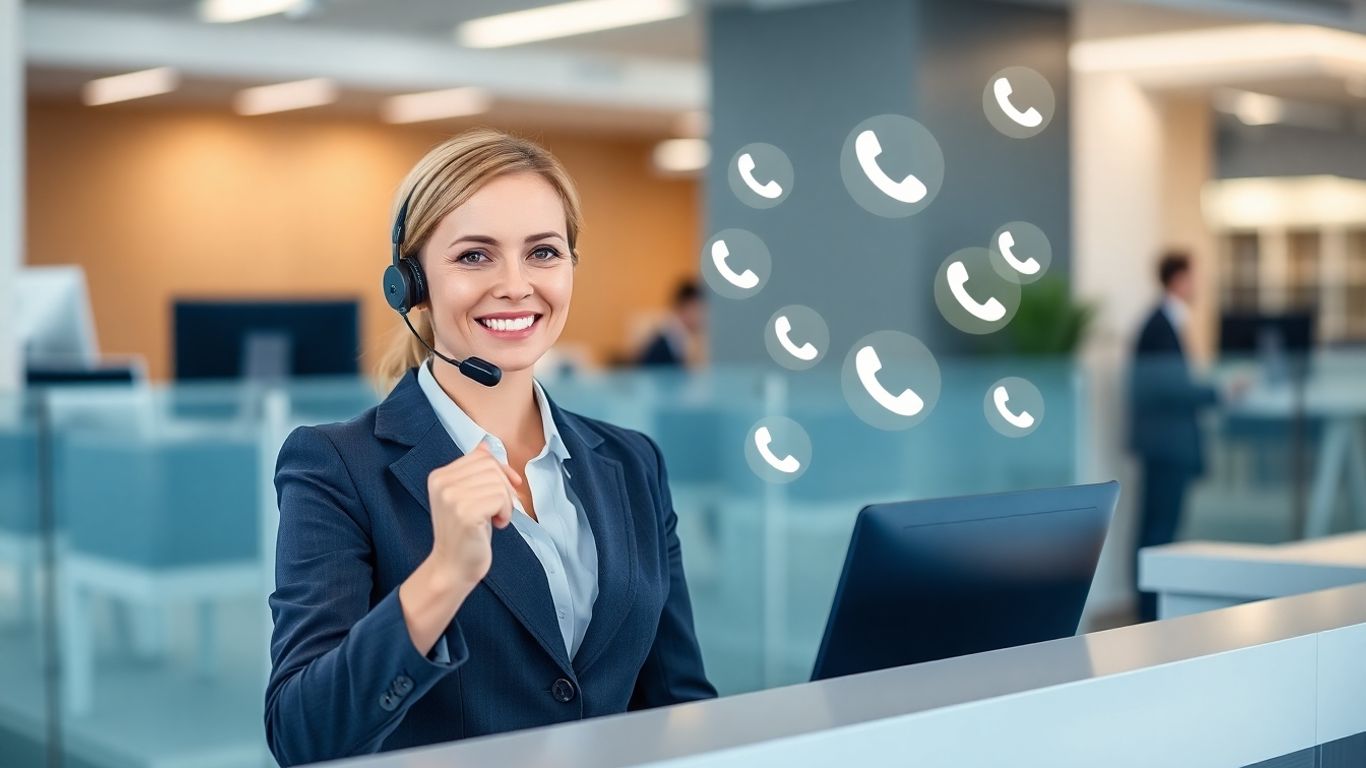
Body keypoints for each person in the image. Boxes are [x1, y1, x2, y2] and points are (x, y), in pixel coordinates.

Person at [264, 129, 717, 767]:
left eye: (543, 252)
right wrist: (443, 575)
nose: (515, 284)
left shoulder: (633, 462)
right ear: (410, 285)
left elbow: (678, 704)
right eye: (475, 256)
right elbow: (301, 734)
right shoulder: (337, 467)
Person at [1127, 251, 1228, 623]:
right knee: (1157, 531)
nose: (1197, 285)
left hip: (1167, 445)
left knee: (1159, 528)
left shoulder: (1165, 322)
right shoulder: (1159, 326)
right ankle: (1150, 611)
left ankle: (1152, 609)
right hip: (1166, 445)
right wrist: (1218, 393)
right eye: (1193, 277)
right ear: (1179, 279)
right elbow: (1170, 388)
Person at [635, 279, 705, 367]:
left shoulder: (677, 337)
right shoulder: (667, 342)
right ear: (686, 307)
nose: (702, 317)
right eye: (698, 309)